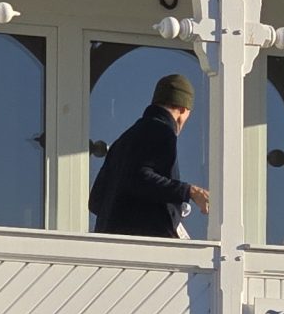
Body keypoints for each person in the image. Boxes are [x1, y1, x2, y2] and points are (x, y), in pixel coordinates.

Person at [89, 73, 211, 237]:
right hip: (141, 246)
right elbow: (140, 178)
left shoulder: (124, 140)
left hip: (110, 245)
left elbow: (96, 201)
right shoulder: (162, 132)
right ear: (183, 109)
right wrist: (189, 191)